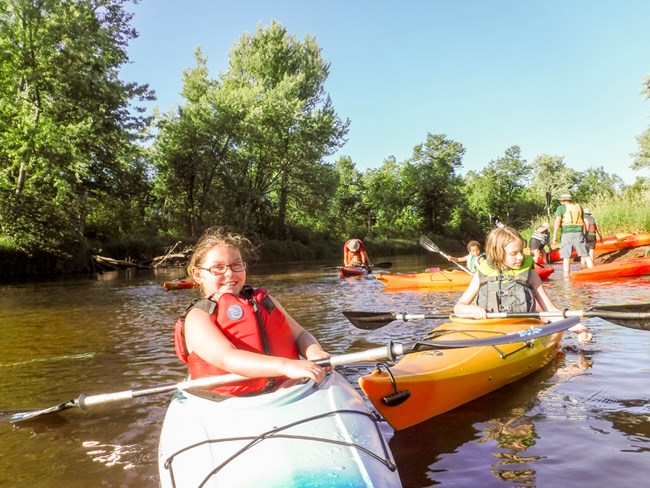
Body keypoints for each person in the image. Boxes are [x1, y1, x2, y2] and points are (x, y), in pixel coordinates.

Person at [174, 227, 331, 396]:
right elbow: (228, 359)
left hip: (289, 389)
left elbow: (300, 335)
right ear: (197, 274)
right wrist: (285, 366)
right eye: (218, 268)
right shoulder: (198, 317)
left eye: (237, 265)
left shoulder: (264, 301)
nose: (229, 273)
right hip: (228, 402)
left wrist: (315, 352)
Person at [454, 226, 593, 343]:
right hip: (489, 331)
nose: (520, 257)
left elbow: (550, 310)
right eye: (514, 253)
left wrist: (579, 328)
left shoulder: (531, 275)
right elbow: (459, 307)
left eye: (521, 251)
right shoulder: (482, 274)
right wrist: (472, 310)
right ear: (497, 253)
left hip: (522, 332)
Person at [551, 193, 594, 276]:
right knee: (586, 255)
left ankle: (566, 278)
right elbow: (587, 223)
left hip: (566, 234)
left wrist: (554, 236)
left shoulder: (561, 208)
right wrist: (585, 234)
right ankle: (593, 272)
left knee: (566, 257)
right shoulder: (579, 207)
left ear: (562, 201)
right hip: (579, 233)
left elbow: (557, 221)